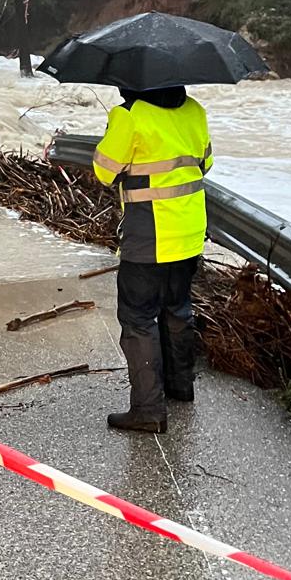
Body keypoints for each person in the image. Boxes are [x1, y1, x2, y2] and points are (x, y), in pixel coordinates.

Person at [93, 85, 213, 435]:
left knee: (138, 317)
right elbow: (206, 163)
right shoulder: (194, 111)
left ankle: (147, 410)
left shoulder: (129, 115)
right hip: (190, 230)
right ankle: (180, 387)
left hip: (150, 234)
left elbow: (105, 170)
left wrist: (111, 135)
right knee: (177, 307)